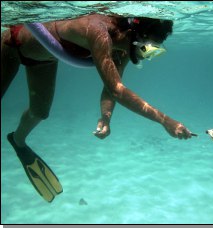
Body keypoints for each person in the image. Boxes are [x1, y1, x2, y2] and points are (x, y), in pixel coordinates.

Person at [1, 13, 194, 202]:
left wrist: (106, 117)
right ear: (136, 36)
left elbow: (112, 89)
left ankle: (18, 141)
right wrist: (165, 120)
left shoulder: (125, 48)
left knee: (40, 113)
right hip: (13, 43)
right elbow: (117, 90)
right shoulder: (98, 30)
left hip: (43, 58)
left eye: (154, 52)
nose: (146, 56)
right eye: (148, 49)